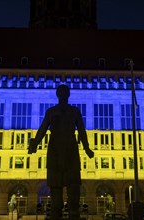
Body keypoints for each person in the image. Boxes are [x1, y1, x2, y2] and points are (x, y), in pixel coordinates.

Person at [28, 84, 94, 219]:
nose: (63, 94)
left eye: (65, 92)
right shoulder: (51, 111)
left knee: (74, 191)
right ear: (58, 94)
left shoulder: (74, 111)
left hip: (71, 151)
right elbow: (42, 129)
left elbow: (82, 130)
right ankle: (56, 215)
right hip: (55, 152)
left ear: (68, 94)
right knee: (56, 196)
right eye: (61, 92)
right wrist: (34, 144)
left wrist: (87, 148)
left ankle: (74, 214)